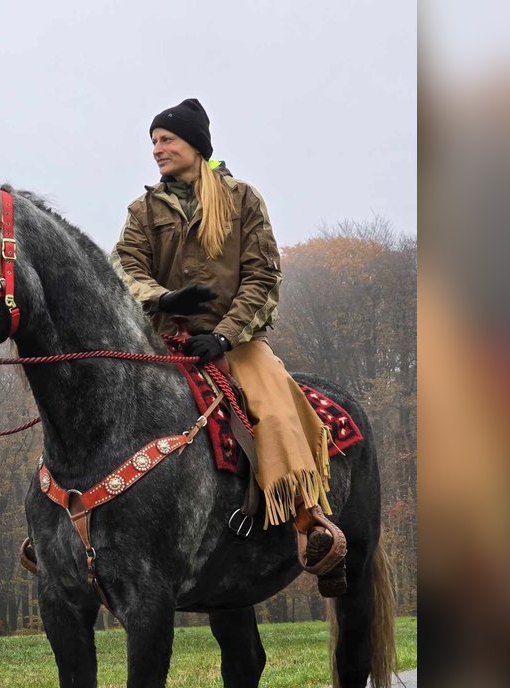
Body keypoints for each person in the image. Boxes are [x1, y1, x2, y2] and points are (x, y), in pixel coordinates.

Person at [111, 98, 347, 595]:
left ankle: (310, 526)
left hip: (233, 340)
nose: (158, 149)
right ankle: (63, 524)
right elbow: (124, 267)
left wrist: (223, 335)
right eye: (153, 141)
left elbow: (262, 274)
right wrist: (163, 296)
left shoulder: (242, 200)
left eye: (167, 139)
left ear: (195, 144)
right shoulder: (144, 209)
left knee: (278, 412)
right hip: (161, 338)